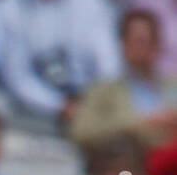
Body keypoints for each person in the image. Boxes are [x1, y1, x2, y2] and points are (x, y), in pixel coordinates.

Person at [0, 0, 120, 123]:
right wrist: (58, 106)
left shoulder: (90, 0)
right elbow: (16, 76)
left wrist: (97, 102)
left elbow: (109, 62)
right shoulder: (8, 6)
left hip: (92, 102)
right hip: (38, 110)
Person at [71, 9, 177, 152]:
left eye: (148, 41)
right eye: (136, 41)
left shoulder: (172, 84)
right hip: (127, 165)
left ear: (157, 45)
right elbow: (81, 132)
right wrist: (140, 123)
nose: (141, 48)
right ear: (123, 44)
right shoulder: (103, 91)